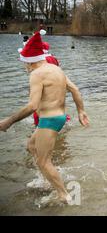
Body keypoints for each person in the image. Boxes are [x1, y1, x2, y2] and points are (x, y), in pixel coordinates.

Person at [0, 31, 89, 203]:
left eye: (24, 62)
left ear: (29, 61)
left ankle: (64, 195)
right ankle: (46, 179)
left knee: (43, 161)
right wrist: (81, 111)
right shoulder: (56, 69)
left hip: (49, 119)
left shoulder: (36, 74)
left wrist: (8, 122)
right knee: (31, 146)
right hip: (59, 117)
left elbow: (32, 106)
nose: (24, 66)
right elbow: (75, 89)